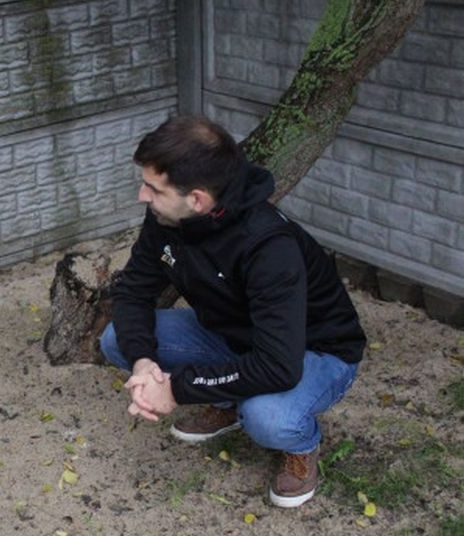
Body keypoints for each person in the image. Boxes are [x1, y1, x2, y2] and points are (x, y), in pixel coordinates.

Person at [99, 115, 366, 508]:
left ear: (198, 199)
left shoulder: (269, 247)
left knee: (266, 417)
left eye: (153, 188)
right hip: (235, 338)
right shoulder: (168, 216)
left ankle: (302, 443)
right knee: (115, 340)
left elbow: (279, 365)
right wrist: (143, 363)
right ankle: (227, 404)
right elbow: (135, 291)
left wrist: (174, 388)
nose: (143, 196)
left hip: (315, 353)